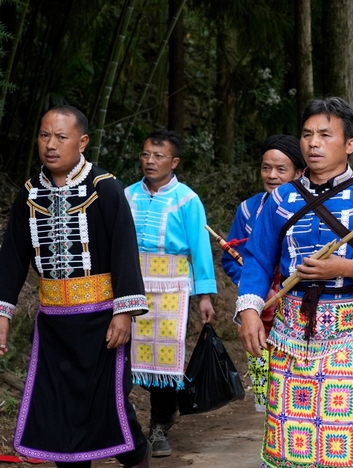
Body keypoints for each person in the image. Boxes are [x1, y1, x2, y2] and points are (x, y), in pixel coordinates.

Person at [236, 97, 353, 468]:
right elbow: (256, 259)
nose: (313, 143)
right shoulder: (281, 199)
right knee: (288, 438)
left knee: (338, 440)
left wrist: (345, 269)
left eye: (324, 135)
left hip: (349, 330)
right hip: (289, 328)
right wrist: (250, 310)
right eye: (307, 134)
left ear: (349, 144)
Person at [0, 106, 151, 467]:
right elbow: (12, 259)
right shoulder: (29, 195)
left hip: (102, 323)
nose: (50, 145)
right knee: (59, 412)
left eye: (61, 137)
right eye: (44, 135)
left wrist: (125, 313)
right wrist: (2, 313)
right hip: (53, 325)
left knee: (108, 407)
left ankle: (139, 459)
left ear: (82, 142)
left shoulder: (105, 189)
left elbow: (124, 252)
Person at [124, 129, 217, 458]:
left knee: (164, 357)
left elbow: (200, 248)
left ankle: (161, 425)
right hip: (130, 282)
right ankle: (124, 428)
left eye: (158, 156)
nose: (150, 161)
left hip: (172, 287)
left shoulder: (187, 200)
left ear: (174, 162)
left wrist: (204, 295)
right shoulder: (127, 195)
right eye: (145, 154)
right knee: (125, 354)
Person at [221, 134, 306, 413]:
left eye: (281, 169)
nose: (271, 176)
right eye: (266, 168)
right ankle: (274, 448)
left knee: (301, 390)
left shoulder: (310, 209)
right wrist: (254, 289)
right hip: (259, 312)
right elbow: (232, 260)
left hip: (299, 313)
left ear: (299, 172)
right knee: (267, 391)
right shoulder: (247, 210)